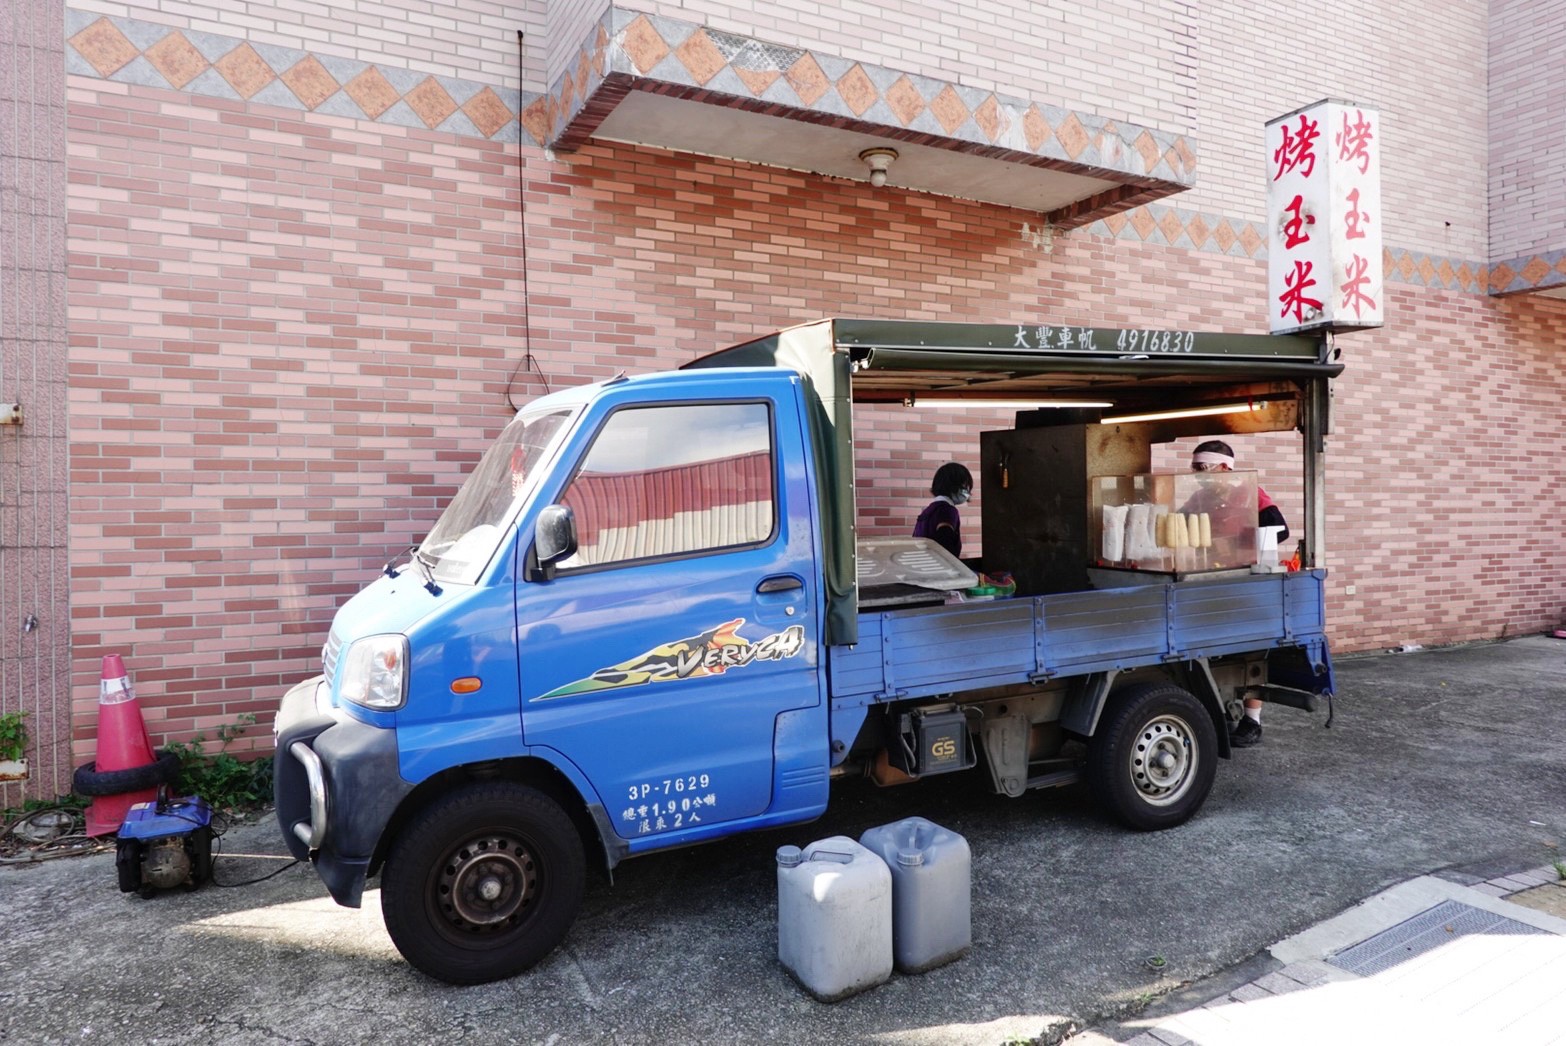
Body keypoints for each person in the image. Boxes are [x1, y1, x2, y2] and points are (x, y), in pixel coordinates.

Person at [1190, 439, 1287, 748]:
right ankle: (1218, 707)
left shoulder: (1249, 493)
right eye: (1194, 469)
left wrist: (1235, 542)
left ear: (1223, 467)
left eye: (1202, 468)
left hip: (1246, 581)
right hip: (1209, 579)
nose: (1198, 475)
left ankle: (1252, 721)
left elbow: (1280, 529)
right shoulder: (1199, 498)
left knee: (1250, 652)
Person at [912, 462, 972, 559]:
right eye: (965, 486)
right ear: (954, 486)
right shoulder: (947, 510)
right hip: (939, 567)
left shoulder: (928, 510)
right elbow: (946, 543)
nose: (968, 491)